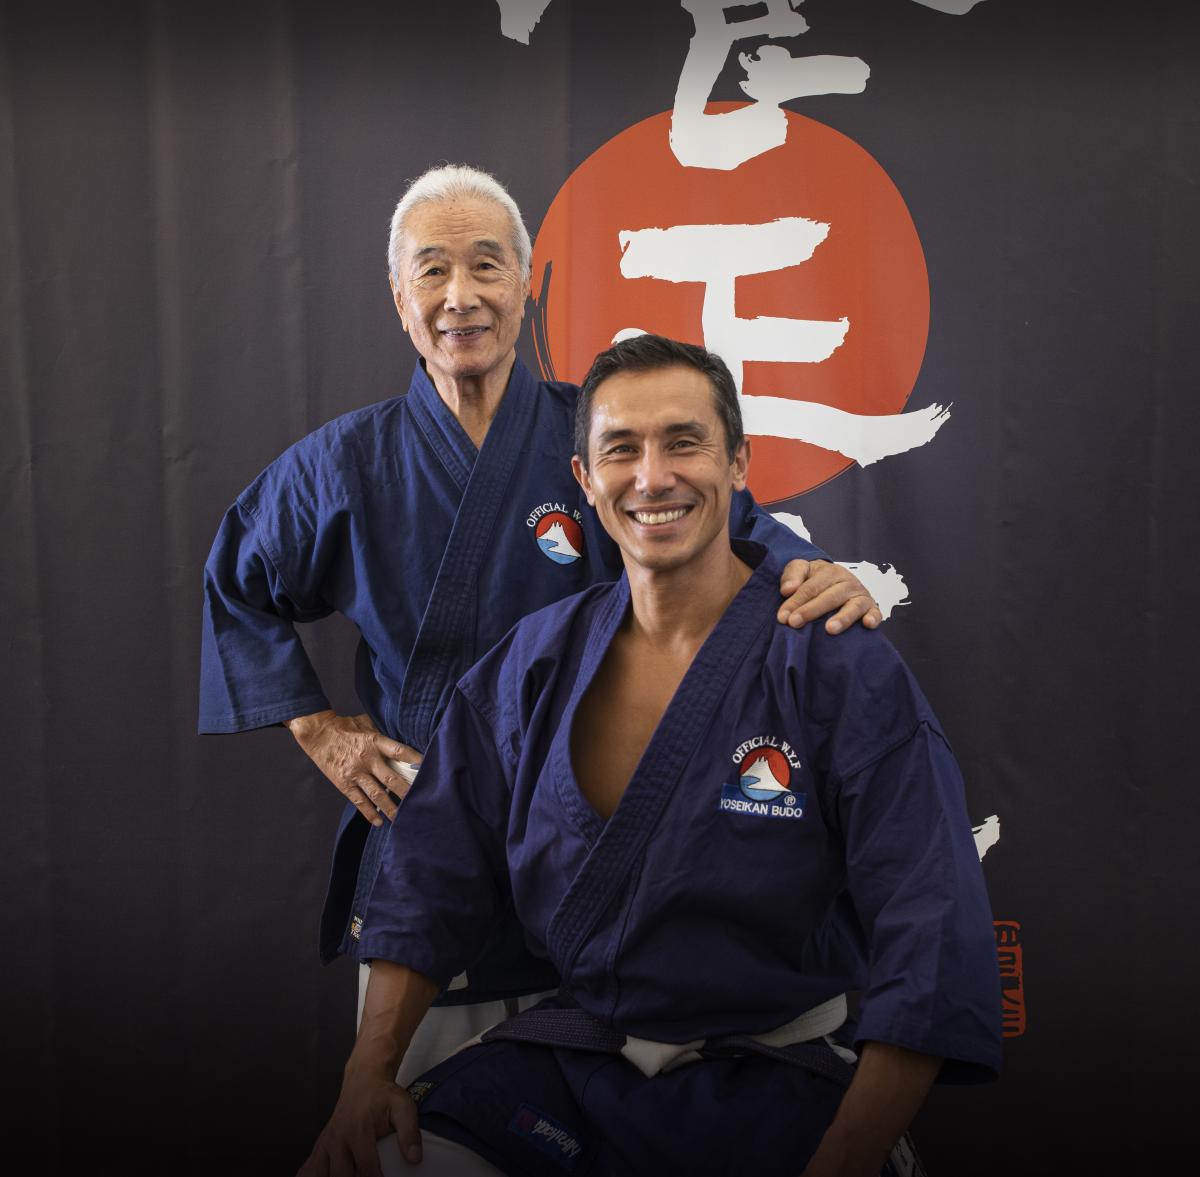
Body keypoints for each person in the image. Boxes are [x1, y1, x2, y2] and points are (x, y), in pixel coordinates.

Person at [198, 166, 881, 1074]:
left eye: (487, 266)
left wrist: (812, 571)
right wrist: (321, 730)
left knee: (603, 1111)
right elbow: (236, 580)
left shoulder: (599, 440)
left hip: (596, 849)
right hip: (431, 839)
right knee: (411, 1112)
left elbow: (736, 532)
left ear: (526, 286)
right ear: (399, 297)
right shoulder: (345, 464)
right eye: (433, 271)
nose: (460, 295)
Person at [300, 335, 1001, 1177]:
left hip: (778, 1077)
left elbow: (930, 927)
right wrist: (366, 1073)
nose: (652, 476)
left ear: (739, 463)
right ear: (584, 478)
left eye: (684, 442)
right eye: (621, 449)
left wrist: (849, 1152)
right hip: (580, 1067)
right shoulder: (535, 662)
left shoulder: (836, 665)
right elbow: (429, 873)